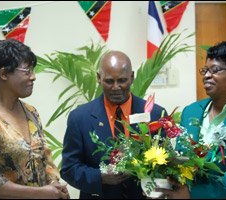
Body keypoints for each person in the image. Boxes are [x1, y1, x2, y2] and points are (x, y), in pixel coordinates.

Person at [60, 50, 167, 199]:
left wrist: (156, 189)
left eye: (122, 80)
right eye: (109, 81)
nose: (116, 87)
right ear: (99, 78)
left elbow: (166, 164)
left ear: (132, 77)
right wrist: (100, 177)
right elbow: (68, 169)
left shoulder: (155, 115)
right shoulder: (79, 118)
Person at [156, 41, 226, 199]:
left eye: (215, 70)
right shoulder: (190, 111)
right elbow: (181, 156)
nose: (206, 76)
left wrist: (193, 194)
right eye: (205, 70)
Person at [0, 39, 70, 199]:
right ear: (4, 74)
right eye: (27, 71)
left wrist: (55, 185)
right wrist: (40, 193)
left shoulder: (31, 112)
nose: (33, 77)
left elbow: (46, 158)